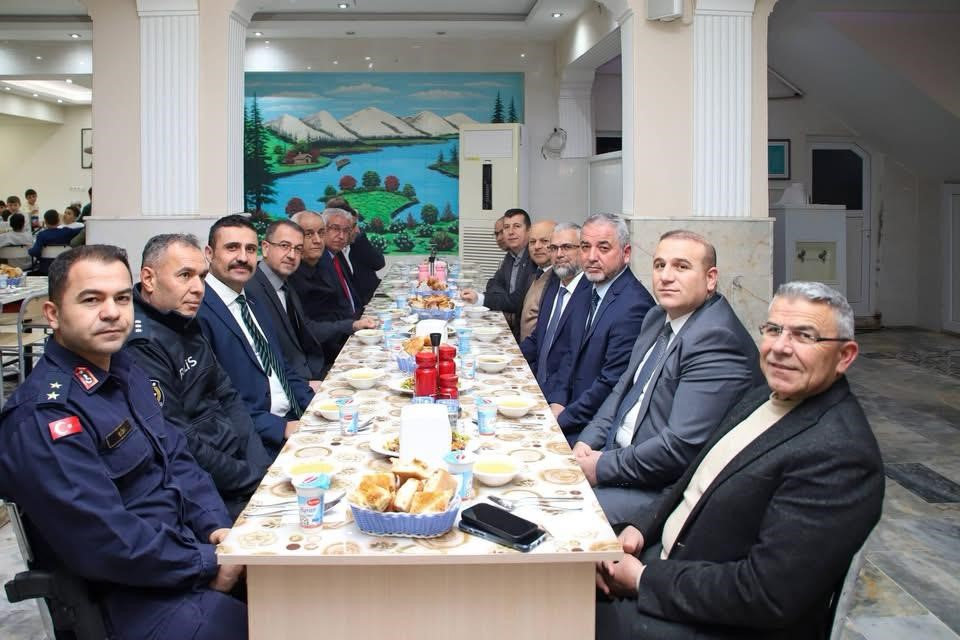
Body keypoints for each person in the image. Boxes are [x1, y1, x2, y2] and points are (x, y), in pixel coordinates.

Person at [595, 281, 884, 640]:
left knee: (558, 613)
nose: (780, 347)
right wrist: (639, 528)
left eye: (804, 336)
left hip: (712, 621)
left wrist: (642, 579)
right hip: (669, 565)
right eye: (774, 330)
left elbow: (765, 594)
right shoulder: (763, 396)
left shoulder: (841, 454)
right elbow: (693, 481)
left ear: (845, 356)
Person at [0, 245, 247, 640]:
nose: (112, 312)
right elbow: (106, 542)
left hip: (181, 553)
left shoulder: (124, 371)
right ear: (53, 314)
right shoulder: (46, 416)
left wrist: (216, 526)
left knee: (303, 583)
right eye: (91, 300)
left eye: (121, 298)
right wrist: (207, 563)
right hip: (132, 596)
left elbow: (177, 459)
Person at [574, 230, 762, 522]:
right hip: (617, 457)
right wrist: (585, 443)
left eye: (681, 266)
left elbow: (678, 448)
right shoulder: (656, 316)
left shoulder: (716, 338)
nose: (665, 276)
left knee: (558, 514)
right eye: (659, 265)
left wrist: (600, 467)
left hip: (659, 490)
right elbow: (621, 391)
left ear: (711, 278)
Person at [125, 233, 273, 518]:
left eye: (202, 277)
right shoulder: (141, 344)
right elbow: (182, 443)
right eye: (185, 275)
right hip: (206, 490)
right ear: (149, 279)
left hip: (238, 461)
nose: (198, 288)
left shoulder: (182, 318)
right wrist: (253, 478)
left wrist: (261, 466)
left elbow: (228, 396)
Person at [196, 215, 314, 456]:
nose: (242, 257)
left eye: (250, 249)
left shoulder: (251, 299)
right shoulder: (198, 310)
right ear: (209, 253)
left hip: (294, 417)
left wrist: (314, 402)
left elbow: (281, 366)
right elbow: (213, 401)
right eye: (232, 248)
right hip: (257, 440)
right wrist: (281, 428)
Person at [545, 213, 655, 446]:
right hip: (567, 410)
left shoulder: (635, 305)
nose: (592, 257)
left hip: (594, 429)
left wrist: (561, 420)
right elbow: (569, 354)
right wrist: (557, 402)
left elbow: (610, 383)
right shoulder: (587, 288)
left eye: (603, 248)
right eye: (585, 247)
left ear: (626, 253)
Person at [287, 209, 377, 363]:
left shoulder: (323, 261)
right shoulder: (292, 273)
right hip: (319, 356)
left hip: (336, 339)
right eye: (309, 234)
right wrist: (352, 326)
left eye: (321, 233)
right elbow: (306, 331)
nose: (317, 240)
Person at [245, 219, 327, 382]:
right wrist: (304, 385)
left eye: (298, 249)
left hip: (309, 371)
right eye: (284, 246)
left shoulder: (285, 283)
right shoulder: (250, 289)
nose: (291, 255)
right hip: (289, 383)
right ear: (265, 248)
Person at [520, 223, 584, 397]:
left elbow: (573, 358)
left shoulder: (588, 294)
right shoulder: (554, 283)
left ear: (583, 250)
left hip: (561, 395)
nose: (559, 254)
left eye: (567, 247)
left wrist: (549, 395)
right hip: (536, 382)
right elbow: (539, 337)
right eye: (554, 248)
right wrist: (511, 357)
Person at [461, 208, 538, 339]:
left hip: (526, 334)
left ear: (528, 230)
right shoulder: (511, 255)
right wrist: (505, 298)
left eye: (517, 226)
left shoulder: (533, 258)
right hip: (512, 325)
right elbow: (493, 282)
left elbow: (518, 302)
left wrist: (480, 298)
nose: (511, 232)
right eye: (506, 227)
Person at [326, 197, 385, 306]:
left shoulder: (357, 241)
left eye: (346, 229)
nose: (357, 230)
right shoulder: (330, 254)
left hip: (371, 298)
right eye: (336, 228)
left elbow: (379, 263)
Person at [518, 219, 556, 341]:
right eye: (532, 242)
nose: (537, 247)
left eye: (544, 241)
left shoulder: (560, 282)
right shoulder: (533, 276)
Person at [29, 209, 82, 274]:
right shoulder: (67, 232)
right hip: (64, 267)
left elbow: (35, 252)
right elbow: (82, 229)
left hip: (46, 268)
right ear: (58, 220)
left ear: (45, 222)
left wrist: (29, 250)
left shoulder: (41, 235)